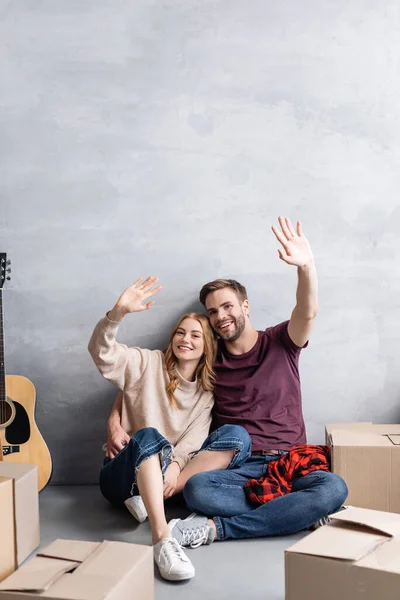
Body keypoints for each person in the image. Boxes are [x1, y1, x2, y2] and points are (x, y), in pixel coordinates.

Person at [168, 217, 348, 547]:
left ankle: (219, 530)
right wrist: (115, 422)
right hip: (241, 467)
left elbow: (307, 313)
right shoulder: (209, 359)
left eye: (227, 306)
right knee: (196, 490)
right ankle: (296, 513)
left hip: (292, 463)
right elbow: (162, 385)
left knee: (334, 488)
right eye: (212, 311)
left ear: (245, 306)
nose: (220, 316)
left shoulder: (281, 341)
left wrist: (306, 267)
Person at [87, 277, 251, 581]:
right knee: (149, 436)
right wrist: (117, 314)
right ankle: (162, 540)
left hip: (165, 479)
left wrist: (175, 466)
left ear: (207, 347)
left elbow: (192, 443)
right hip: (119, 476)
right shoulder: (147, 363)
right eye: (180, 332)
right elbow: (103, 354)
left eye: (196, 336)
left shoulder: (206, 395)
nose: (185, 339)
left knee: (237, 436)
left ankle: (152, 499)